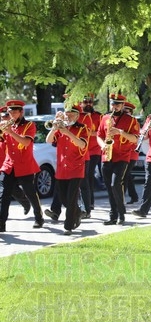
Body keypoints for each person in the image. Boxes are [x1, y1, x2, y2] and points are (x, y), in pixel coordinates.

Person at [0, 100, 45, 232]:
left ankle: (38, 218)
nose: (12, 115)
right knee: (4, 195)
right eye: (10, 112)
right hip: (9, 165)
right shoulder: (8, 125)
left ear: (21, 112)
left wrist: (11, 132)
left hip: (25, 165)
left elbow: (25, 143)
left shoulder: (29, 125)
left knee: (30, 193)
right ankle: (1, 224)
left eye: (15, 112)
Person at [97, 94, 139, 226]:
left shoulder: (131, 120)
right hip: (107, 156)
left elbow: (135, 139)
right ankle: (113, 216)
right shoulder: (105, 118)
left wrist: (120, 132)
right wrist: (103, 145)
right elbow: (99, 136)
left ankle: (121, 214)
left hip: (122, 156)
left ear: (122, 105)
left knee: (116, 184)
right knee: (109, 188)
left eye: (118, 104)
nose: (115, 106)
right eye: (113, 104)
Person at [45, 106, 88, 235]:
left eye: (71, 115)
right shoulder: (60, 128)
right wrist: (54, 126)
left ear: (77, 116)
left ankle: (68, 226)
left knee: (71, 198)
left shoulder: (82, 128)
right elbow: (48, 140)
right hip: (61, 169)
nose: (68, 117)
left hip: (76, 168)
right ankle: (79, 212)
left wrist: (67, 132)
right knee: (64, 199)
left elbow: (82, 145)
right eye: (66, 114)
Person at [81, 93, 103, 212]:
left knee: (89, 174)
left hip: (94, 150)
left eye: (90, 102)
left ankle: (90, 203)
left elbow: (101, 132)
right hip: (82, 150)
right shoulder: (79, 116)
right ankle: (86, 201)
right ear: (81, 103)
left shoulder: (98, 116)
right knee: (83, 176)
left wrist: (91, 133)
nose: (88, 104)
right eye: (86, 102)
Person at [122, 102, 140, 205]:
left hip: (132, 153)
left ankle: (122, 198)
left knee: (124, 176)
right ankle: (134, 196)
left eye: (126, 110)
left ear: (131, 111)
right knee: (126, 175)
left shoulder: (134, 121)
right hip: (123, 152)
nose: (124, 112)